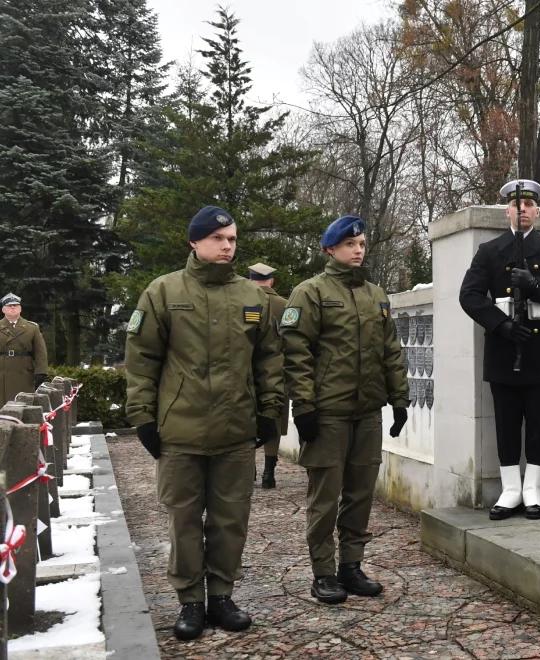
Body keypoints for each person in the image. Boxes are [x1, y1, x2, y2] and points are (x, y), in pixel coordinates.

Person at [124, 206, 284, 640]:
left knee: (231, 519)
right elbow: (141, 361)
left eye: (231, 239)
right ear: (194, 242)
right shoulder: (163, 291)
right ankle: (190, 601)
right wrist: (142, 417)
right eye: (217, 238)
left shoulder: (253, 298)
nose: (227, 246)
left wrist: (269, 410)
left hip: (235, 430)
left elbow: (269, 358)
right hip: (181, 432)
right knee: (185, 521)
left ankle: (222, 596)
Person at [280, 215, 409, 605]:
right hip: (328, 413)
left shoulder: (376, 294)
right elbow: (296, 353)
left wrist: (399, 399)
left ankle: (351, 566)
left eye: (362, 244)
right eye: (351, 245)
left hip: (366, 411)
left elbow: (390, 350)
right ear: (330, 249)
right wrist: (303, 405)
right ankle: (323, 572)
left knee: (360, 493)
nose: (358, 251)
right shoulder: (310, 293)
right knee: (325, 497)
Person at [459, 179, 540, 520]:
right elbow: (469, 296)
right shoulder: (490, 251)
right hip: (503, 345)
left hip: (538, 345)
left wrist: (536, 285)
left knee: (538, 422)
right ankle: (511, 488)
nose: (522, 209)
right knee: (506, 422)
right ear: (507, 210)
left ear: (537, 210)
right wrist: (501, 325)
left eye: (528, 204)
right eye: (516, 204)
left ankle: (534, 489)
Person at [247, 262, 288, 489]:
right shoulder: (285, 305)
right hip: (278, 372)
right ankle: (268, 473)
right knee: (272, 419)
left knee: (247, 420)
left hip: (247, 372)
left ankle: (249, 470)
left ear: (251, 280)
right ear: (271, 280)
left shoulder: (242, 301)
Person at [1, 293, 48, 404]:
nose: (12, 308)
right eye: (9, 306)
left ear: (20, 309)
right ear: (3, 309)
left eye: (15, 305)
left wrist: (41, 372)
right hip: (2, 372)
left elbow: (40, 352)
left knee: (23, 405)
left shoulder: (32, 328)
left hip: (24, 374)